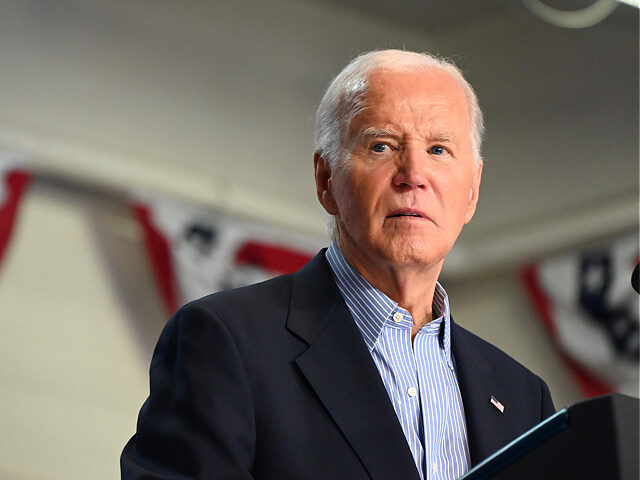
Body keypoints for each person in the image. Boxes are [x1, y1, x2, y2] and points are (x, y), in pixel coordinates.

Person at [121, 49, 555, 480]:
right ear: (326, 180)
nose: (413, 174)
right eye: (382, 146)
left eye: (439, 150)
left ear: (472, 191)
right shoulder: (226, 342)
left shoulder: (522, 396)